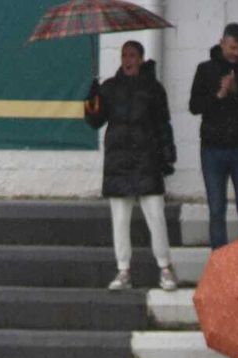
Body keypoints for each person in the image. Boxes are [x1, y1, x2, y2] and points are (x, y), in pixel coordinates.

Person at [85, 41, 177, 292]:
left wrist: (168, 156)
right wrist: (91, 99)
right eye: (124, 55)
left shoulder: (153, 88)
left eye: (132, 55)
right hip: (119, 162)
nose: (127, 60)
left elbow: (163, 124)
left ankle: (165, 267)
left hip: (147, 159)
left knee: (156, 217)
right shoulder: (109, 88)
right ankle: (123, 269)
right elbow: (95, 121)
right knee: (120, 219)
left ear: (141, 58)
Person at [191, 24, 238, 250]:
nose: (236, 53)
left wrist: (236, 92)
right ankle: (220, 264)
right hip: (213, 148)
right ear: (222, 42)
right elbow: (195, 106)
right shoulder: (205, 69)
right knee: (216, 209)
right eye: (232, 47)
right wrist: (220, 95)